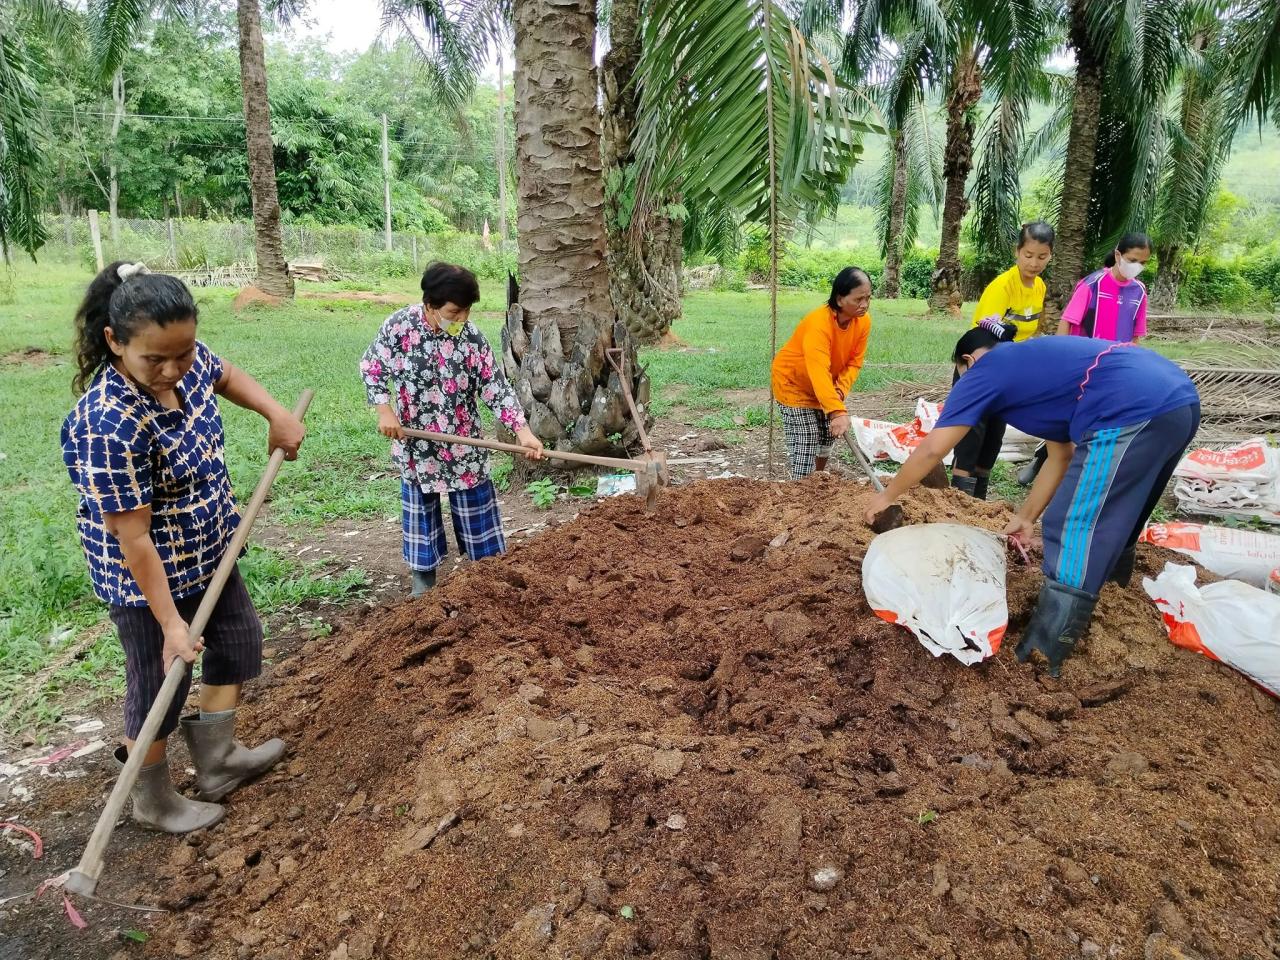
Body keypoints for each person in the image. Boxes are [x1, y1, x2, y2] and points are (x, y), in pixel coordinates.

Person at [61, 262, 306, 833]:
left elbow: (224, 375)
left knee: (239, 642)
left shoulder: (184, 364)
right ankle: (151, 799)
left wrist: (274, 414)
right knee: (157, 686)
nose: (172, 370)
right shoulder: (108, 422)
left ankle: (218, 761)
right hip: (146, 576)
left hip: (211, 548)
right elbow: (134, 537)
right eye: (154, 359)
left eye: (184, 352)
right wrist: (171, 623)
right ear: (115, 342)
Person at [863, 319, 1200, 677]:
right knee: (1124, 513)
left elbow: (933, 448)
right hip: (1178, 401)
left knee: (1073, 524)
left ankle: (1045, 651)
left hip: (1129, 407)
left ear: (967, 361)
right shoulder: (1036, 371)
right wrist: (1025, 517)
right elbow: (1060, 456)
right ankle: (1115, 602)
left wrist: (888, 496)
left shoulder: (985, 370)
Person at [361, 262, 543, 596]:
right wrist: (384, 411)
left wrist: (522, 431)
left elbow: (495, 388)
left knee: (478, 515)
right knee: (420, 515)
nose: (461, 320)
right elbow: (371, 367)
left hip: (463, 444)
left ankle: (490, 579)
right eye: (453, 312)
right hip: (417, 444)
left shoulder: (470, 339)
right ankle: (423, 584)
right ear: (430, 305)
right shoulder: (399, 328)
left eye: (466, 312)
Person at [1018, 232, 1154, 486]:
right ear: (1118, 255)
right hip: (1083, 366)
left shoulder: (1139, 292)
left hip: (1114, 368)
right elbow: (1067, 322)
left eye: (1143, 263)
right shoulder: (1093, 285)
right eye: (1133, 259)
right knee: (1066, 419)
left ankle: (1080, 475)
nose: (1137, 267)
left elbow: (1137, 335)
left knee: (1100, 421)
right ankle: (1042, 460)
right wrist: (1061, 360)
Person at [950, 221, 1055, 499]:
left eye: (1041, 256)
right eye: (1028, 255)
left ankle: (979, 501)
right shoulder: (1002, 286)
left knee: (993, 437)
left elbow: (1034, 328)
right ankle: (959, 500)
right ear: (1017, 252)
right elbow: (982, 332)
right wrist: (1003, 335)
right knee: (971, 436)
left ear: (1050, 255)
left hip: (1010, 375)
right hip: (982, 370)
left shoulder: (1039, 286)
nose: (1034, 263)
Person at [770, 267, 872, 479]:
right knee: (807, 438)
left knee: (827, 435)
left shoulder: (863, 322)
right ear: (840, 299)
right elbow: (817, 369)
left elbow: (854, 362)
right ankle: (799, 492)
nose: (864, 305)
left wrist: (839, 393)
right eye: (859, 299)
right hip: (793, 384)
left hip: (823, 386)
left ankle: (816, 483)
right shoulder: (819, 323)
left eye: (868, 298)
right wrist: (837, 411)